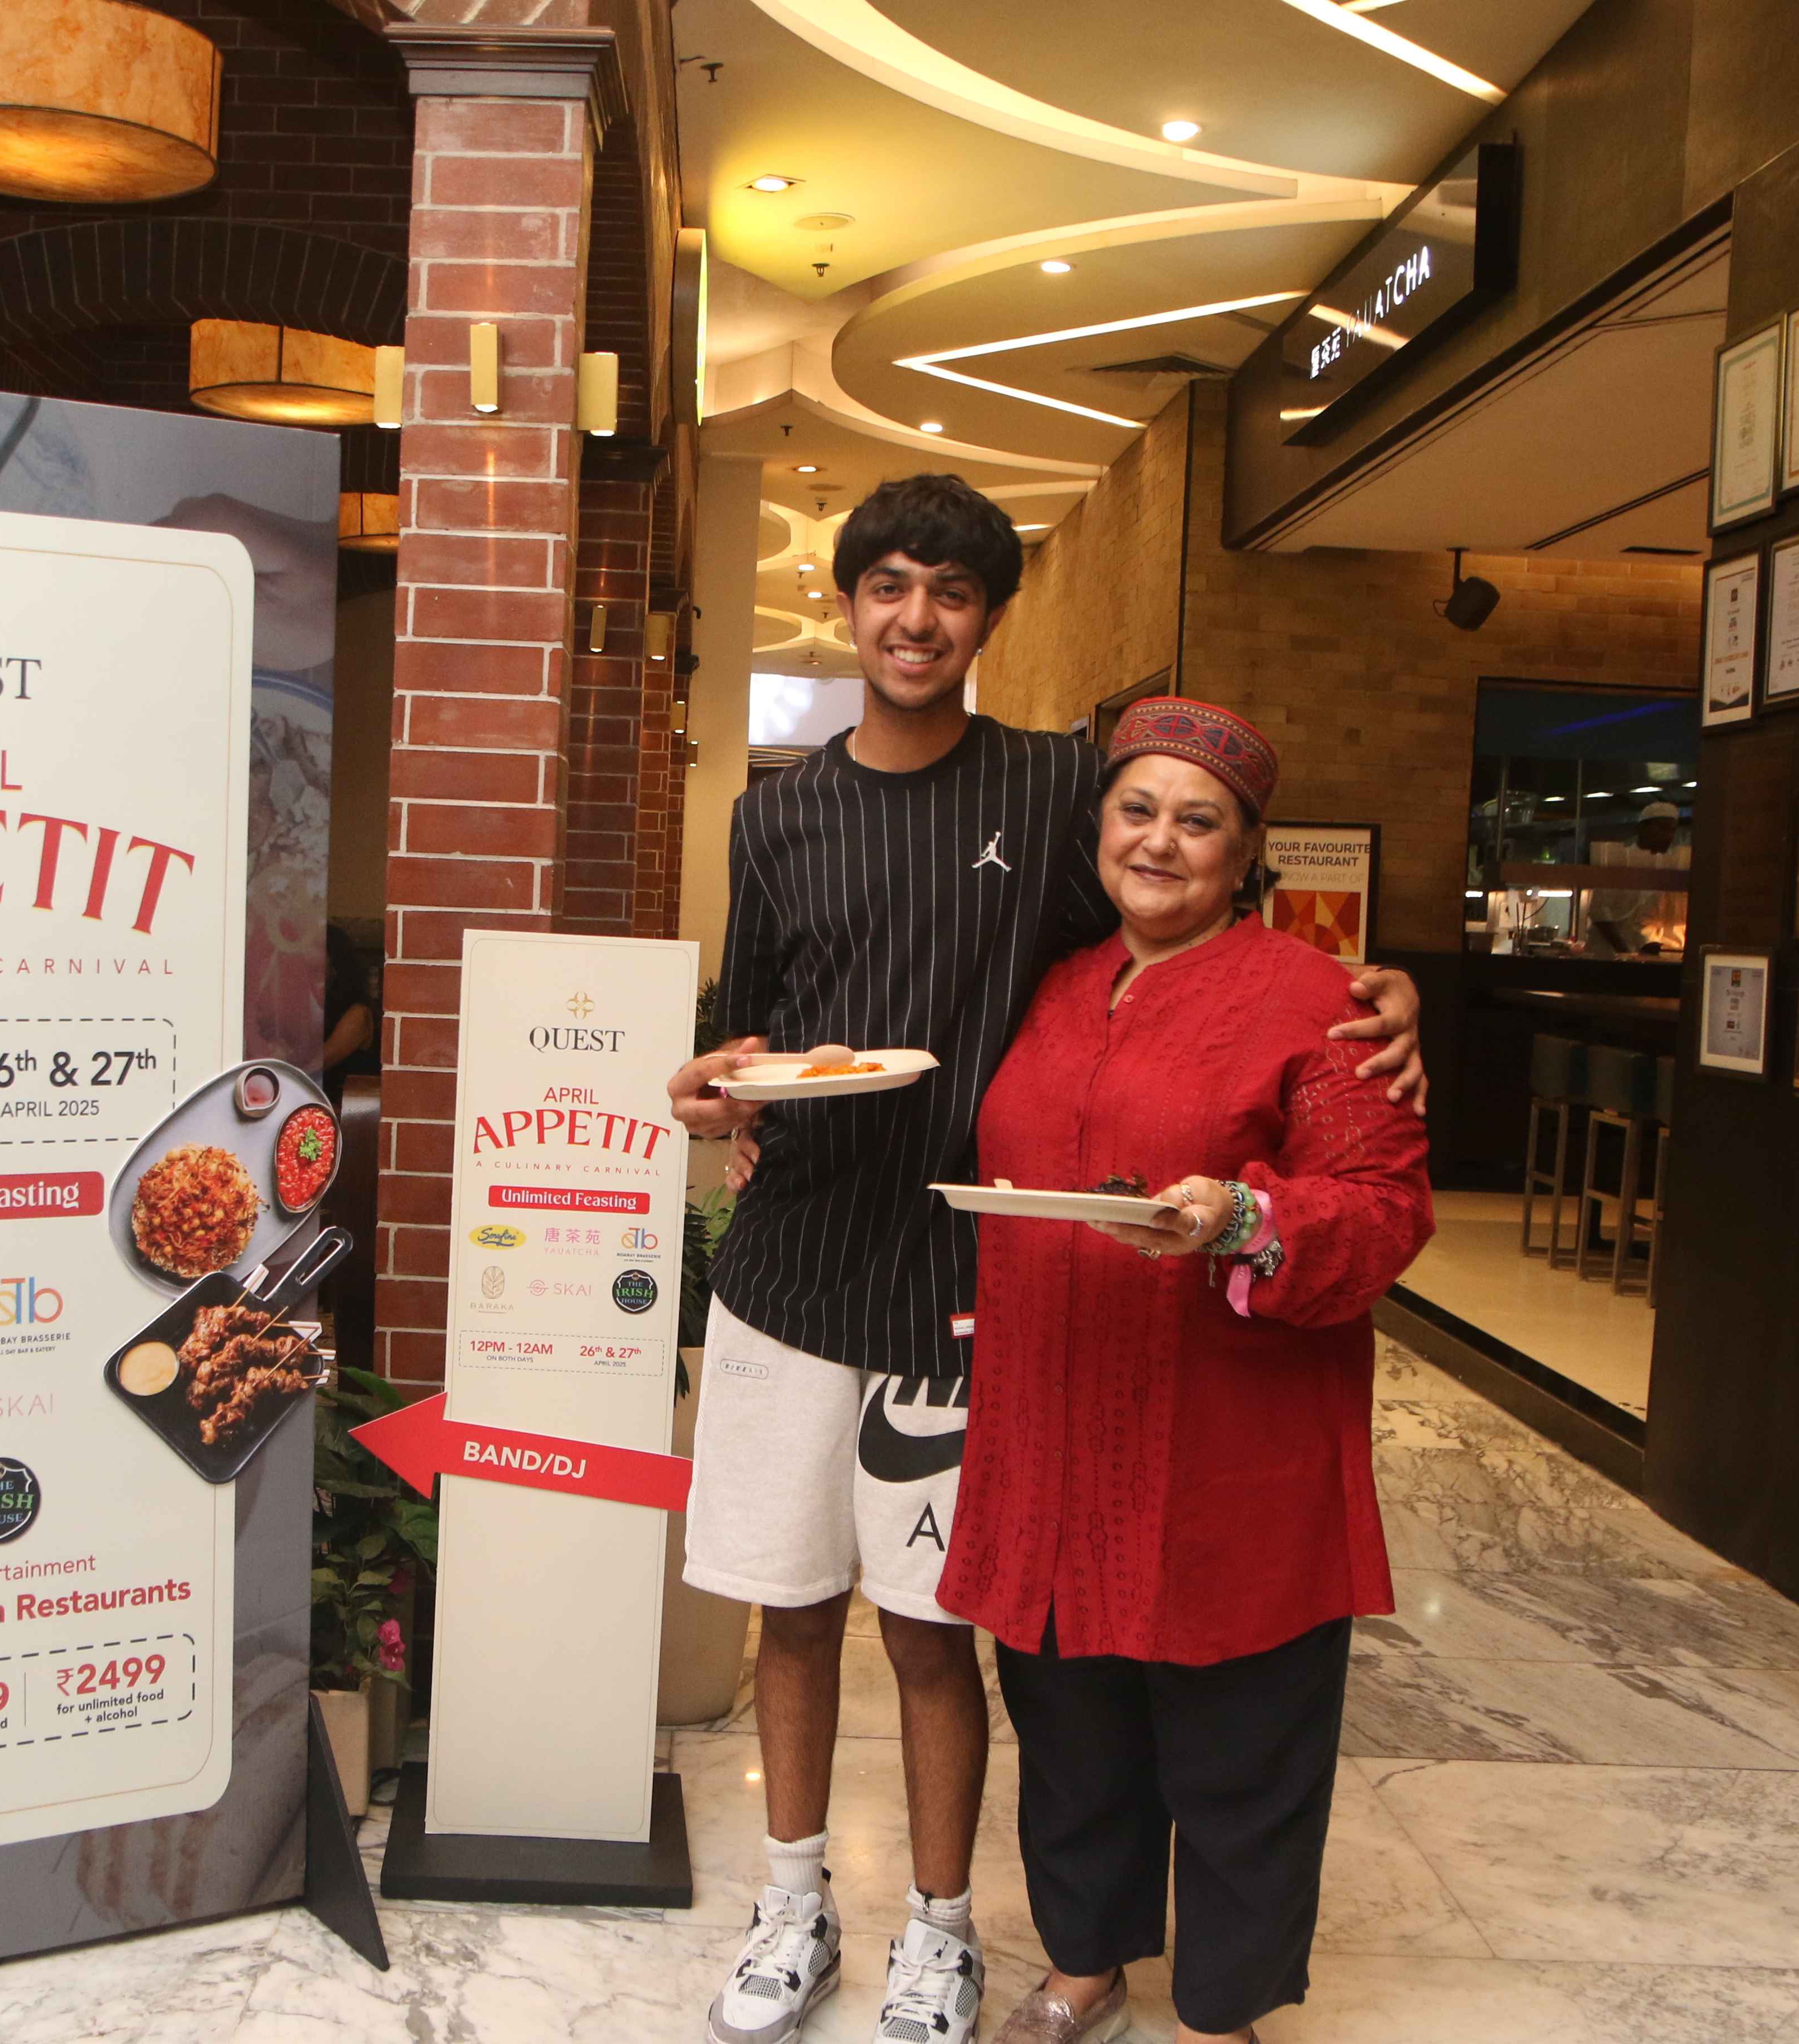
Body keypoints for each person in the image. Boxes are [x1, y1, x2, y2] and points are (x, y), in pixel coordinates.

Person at [663, 475, 1425, 2044]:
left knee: (944, 1629)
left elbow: (1206, 947)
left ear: (989, 617)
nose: (915, 619)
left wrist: (1380, 992)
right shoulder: (782, 815)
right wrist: (721, 1090)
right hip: (820, 1274)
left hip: (965, 1301)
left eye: (950, 591)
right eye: (886, 585)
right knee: (827, 1620)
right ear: (847, 603)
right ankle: (805, 1905)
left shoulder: (1055, 790)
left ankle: (956, 1933)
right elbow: (756, 1020)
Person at [949, 698, 1433, 2044]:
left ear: (1246, 849)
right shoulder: (1051, 979)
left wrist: (1246, 1219)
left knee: (1239, 1744)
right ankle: (1084, 1963)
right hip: (1053, 1423)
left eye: (1197, 820)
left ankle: (1220, 2013)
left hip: (1230, 1438)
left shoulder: (1320, 1002)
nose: (1159, 842)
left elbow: (1384, 1208)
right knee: (1071, 1726)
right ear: (1099, 827)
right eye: (1137, 810)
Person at [1587, 799, 1690, 954]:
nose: (1668, 836)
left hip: (1646, 955)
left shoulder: (1671, 867)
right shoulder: (1620, 860)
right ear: (1642, 828)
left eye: (1672, 830)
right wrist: (1625, 952)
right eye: (1662, 828)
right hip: (1608, 954)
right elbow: (1600, 914)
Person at [322, 921, 379, 1100]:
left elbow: (319, 1063)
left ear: (335, 966)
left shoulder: (357, 1014)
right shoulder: (320, 1007)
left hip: (347, 1109)